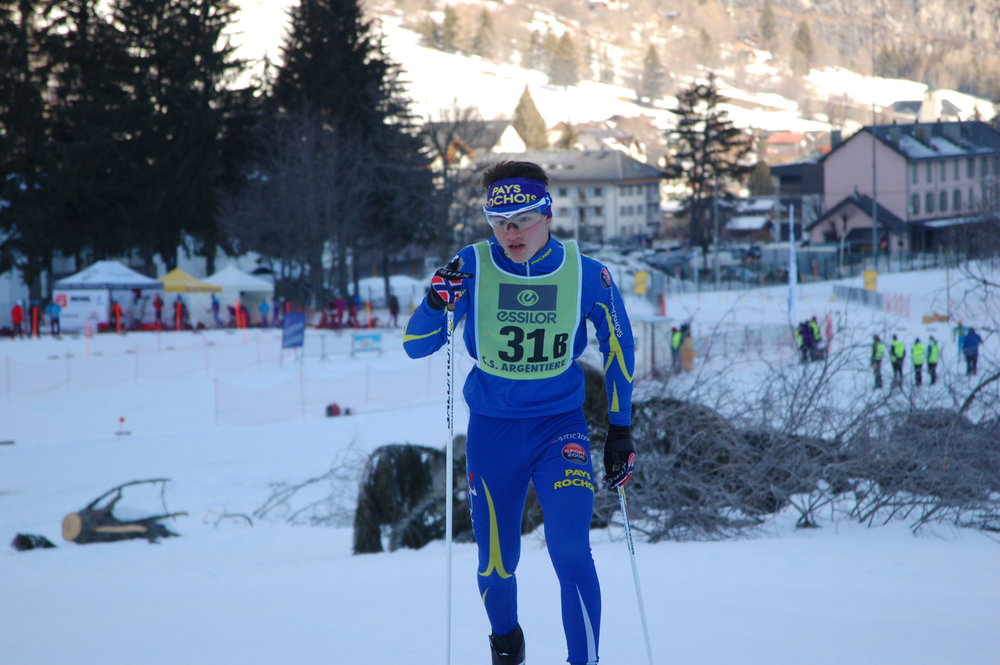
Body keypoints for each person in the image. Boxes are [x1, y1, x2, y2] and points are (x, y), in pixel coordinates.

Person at [403, 160, 635, 665]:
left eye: (524, 219)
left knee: (570, 548)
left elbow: (619, 346)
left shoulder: (587, 273)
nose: (512, 233)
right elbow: (416, 346)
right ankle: (507, 646)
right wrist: (434, 303)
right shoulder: (472, 264)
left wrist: (621, 430)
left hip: (560, 429)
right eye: (499, 222)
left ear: (547, 214)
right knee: (494, 566)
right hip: (493, 433)